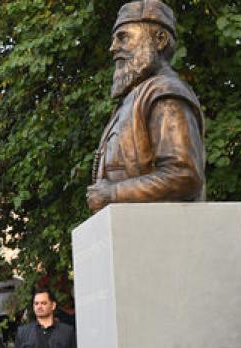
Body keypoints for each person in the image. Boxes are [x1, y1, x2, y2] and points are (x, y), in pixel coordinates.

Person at [86, 0, 205, 213]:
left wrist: (113, 193)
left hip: (163, 225)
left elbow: (184, 175)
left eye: (123, 37)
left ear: (160, 40)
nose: (113, 47)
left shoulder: (165, 92)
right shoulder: (132, 99)